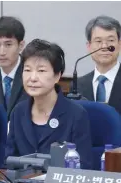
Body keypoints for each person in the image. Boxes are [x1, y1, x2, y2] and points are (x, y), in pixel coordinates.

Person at [6, 39, 93, 169]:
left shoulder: (76, 114)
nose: (32, 78)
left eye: (41, 71)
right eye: (27, 70)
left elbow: (84, 167)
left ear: (57, 76)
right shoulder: (18, 112)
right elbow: (8, 162)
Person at [77, 15, 121, 114]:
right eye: (98, 41)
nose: (104, 46)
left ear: (119, 44)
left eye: (110, 40)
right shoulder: (78, 85)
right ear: (89, 46)